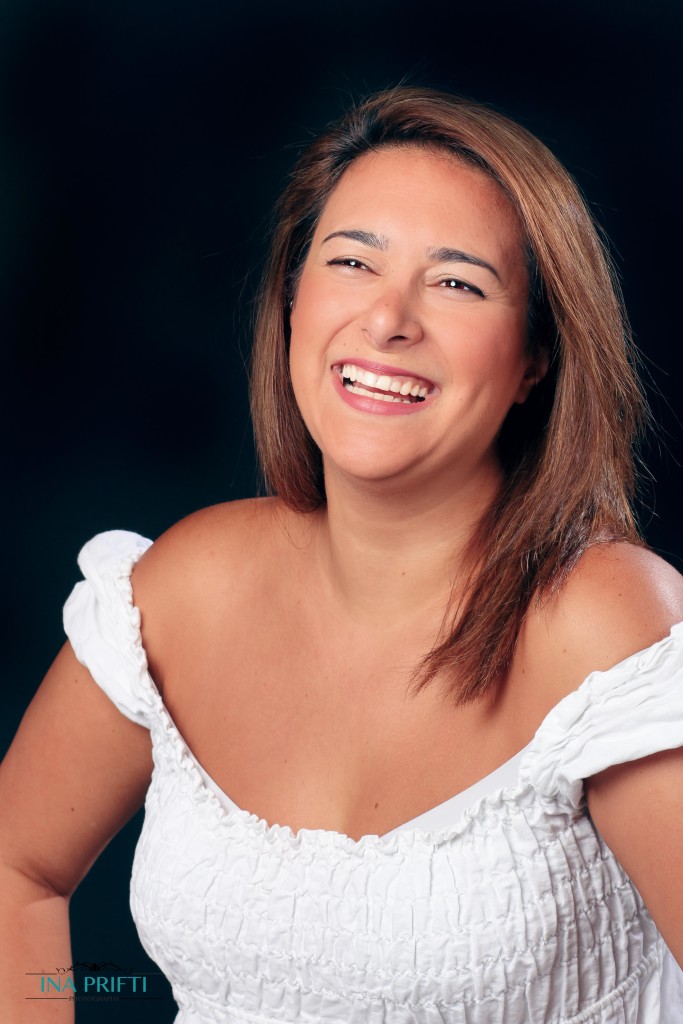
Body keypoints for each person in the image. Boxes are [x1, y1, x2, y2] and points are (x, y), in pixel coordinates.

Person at [1, 86, 682, 1023]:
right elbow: (17, 868)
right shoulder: (185, 591)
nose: (387, 319)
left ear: (536, 359)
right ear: (291, 302)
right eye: (352, 261)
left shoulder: (607, 626)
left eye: (456, 282)